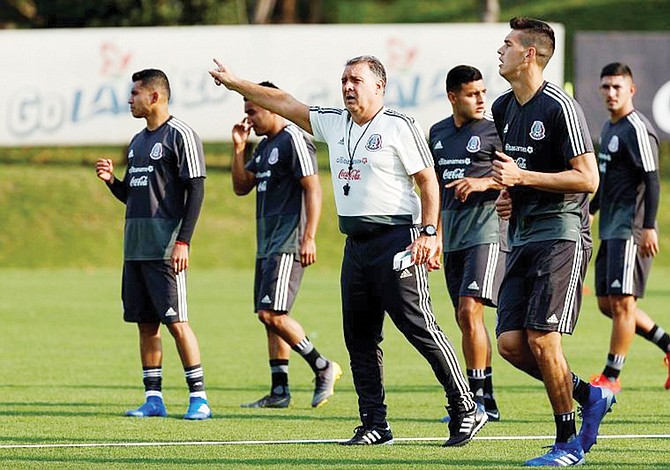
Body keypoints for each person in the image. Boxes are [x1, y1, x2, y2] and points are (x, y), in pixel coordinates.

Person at [210, 55, 487, 447]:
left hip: (397, 239)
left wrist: (428, 233)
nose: (347, 86)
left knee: (419, 327)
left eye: (356, 79)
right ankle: (375, 423)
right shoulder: (334, 121)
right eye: (343, 79)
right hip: (356, 245)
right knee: (359, 337)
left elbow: (428, 182)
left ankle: (466, 407)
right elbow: (284, 102)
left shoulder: (398, 125)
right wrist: (237, 83)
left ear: (379, 87)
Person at [491, 18, 615, 466]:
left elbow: (587, 178)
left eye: (506, 44)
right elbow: (512, 170)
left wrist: (522, 177)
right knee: (510, 344)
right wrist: (508, 193)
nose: (498, 50)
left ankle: (568, 444)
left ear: (529, 54)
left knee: (543, 340)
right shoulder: (503, 107)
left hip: (562, 233)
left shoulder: (561, 106)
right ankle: (589, 395)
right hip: (522, 234)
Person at [95, 68, 211, 420]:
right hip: (135, 250)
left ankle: (199, 398)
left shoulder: (181, 135)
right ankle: (153, 398)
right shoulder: (136, 142)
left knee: (177, 322)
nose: (129, 100)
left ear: (155, 96)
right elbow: (132, 194)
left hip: (165, 249)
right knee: (146, 324)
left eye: (135, 94)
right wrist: (112, 181)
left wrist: (184, 241)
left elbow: (197, 188)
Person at [230, 81, 342, 409]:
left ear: (270, 105)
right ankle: (279, 391)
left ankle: (323, 366)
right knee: (271, 315)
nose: (248, 119)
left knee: (272, 313)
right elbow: (241, 187)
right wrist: (239, 148)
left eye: (252, 111)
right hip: (267, 244)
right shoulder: (264, 146)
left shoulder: (293, 139)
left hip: (288, 240)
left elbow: (313, 187)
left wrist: (308, 237)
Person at [427, 65, 504, 421]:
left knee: (469, 310)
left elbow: (514, 178)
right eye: (472, 94)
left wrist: (482, 183)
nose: (480, 100)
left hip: (486, 232)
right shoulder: (438, 133)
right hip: (454, 237)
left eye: (483, 92)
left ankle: (477, 401)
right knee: (463, 317)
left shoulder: (494, 131)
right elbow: (435, 191)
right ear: (453, 96)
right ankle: (485, 398)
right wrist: (435, 236)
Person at [589, 62, 670, 393]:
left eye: (617, 87)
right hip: (609, 227)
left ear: (631, 90)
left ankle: (611, 377)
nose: (611, 93)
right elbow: (607, 179)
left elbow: (652, 180)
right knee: (607, 304)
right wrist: (592, 210)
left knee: (623, 303)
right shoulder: (610, 128)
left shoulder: (637, 128)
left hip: (630, 229)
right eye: (606, 87)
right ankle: (668, 346)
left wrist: (649, 226)